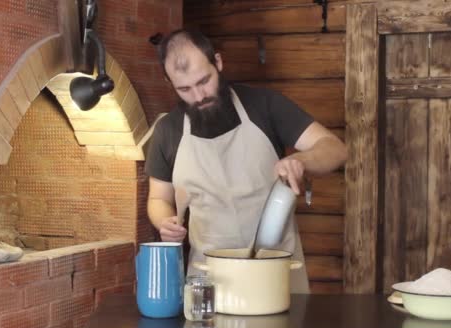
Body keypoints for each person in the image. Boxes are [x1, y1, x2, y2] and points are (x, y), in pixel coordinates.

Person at [144, 29, 346, 294]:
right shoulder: (167, 131)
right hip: (209, 280)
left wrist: (302, 160)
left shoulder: (265, 105)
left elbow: (335, 149)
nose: (198, 95)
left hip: (276, 271)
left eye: (204, 80)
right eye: (184, 89)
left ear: (218, 62)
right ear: (169, 82)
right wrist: (164, 222)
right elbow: (158, 198)